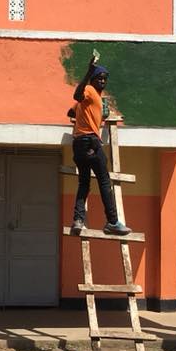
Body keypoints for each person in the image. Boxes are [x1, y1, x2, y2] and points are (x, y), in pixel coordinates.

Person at [67, 55, 132, 236]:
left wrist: (92, 113)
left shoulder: (92, 99)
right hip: (90, 141)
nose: (102, 81)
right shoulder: (88, 90)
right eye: (99, 78)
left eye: (104, 79)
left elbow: (70, 111)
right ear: (93, 80)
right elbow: (77, 95)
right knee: (104, 181)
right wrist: (88, 72)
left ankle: (78, 221)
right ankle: (112, 222)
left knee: (84, 183)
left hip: (78, 144)